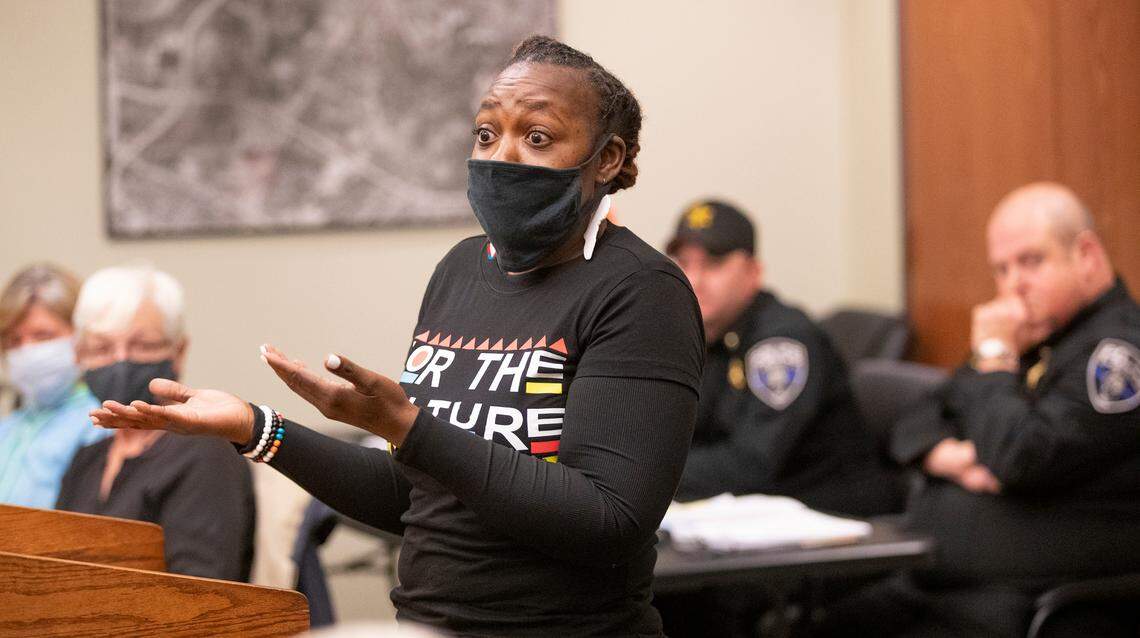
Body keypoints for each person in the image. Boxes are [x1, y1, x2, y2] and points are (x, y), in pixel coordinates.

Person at [92, 36, 705, 636]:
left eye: (537, 137)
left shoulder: (642, 291)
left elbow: (608, 521)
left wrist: (409, 427)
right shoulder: (460, 270)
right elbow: (418, 496)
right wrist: (257, 429)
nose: (501, 156)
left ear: (607, 159)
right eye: (487, 133)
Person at [823, 182, 1140, 637]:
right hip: (938, 583)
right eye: (1001, 269)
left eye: (1031, 261)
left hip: (1028, 602)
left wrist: (994, 358)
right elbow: (914, 421)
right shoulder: (1033, 341)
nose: (1014, 286)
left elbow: (1021, 457)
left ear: (1086, 254)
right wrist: (953, 459)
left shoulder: (1118, 357)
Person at [665, 200, 902, 516]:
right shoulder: (702, 335)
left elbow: (752, 464)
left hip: (832, 525)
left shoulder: (782, 346)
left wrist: (644, 474)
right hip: (754, 516)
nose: (694, 279)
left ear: (754, 272)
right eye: (683, 263)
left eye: (713, 264)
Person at [56, 265, 255, 582]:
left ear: (179, 352)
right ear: (79, 356)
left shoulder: (206, 454)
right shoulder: (86, 460)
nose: (121, 361)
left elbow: (201, 592)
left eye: (143, 345)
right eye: (101, 348)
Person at [0, 263, 108, 508]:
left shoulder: (100, 424)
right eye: (14, 340)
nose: (27, 350)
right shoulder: (8, 429)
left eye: (43, 336)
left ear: (82, 337)